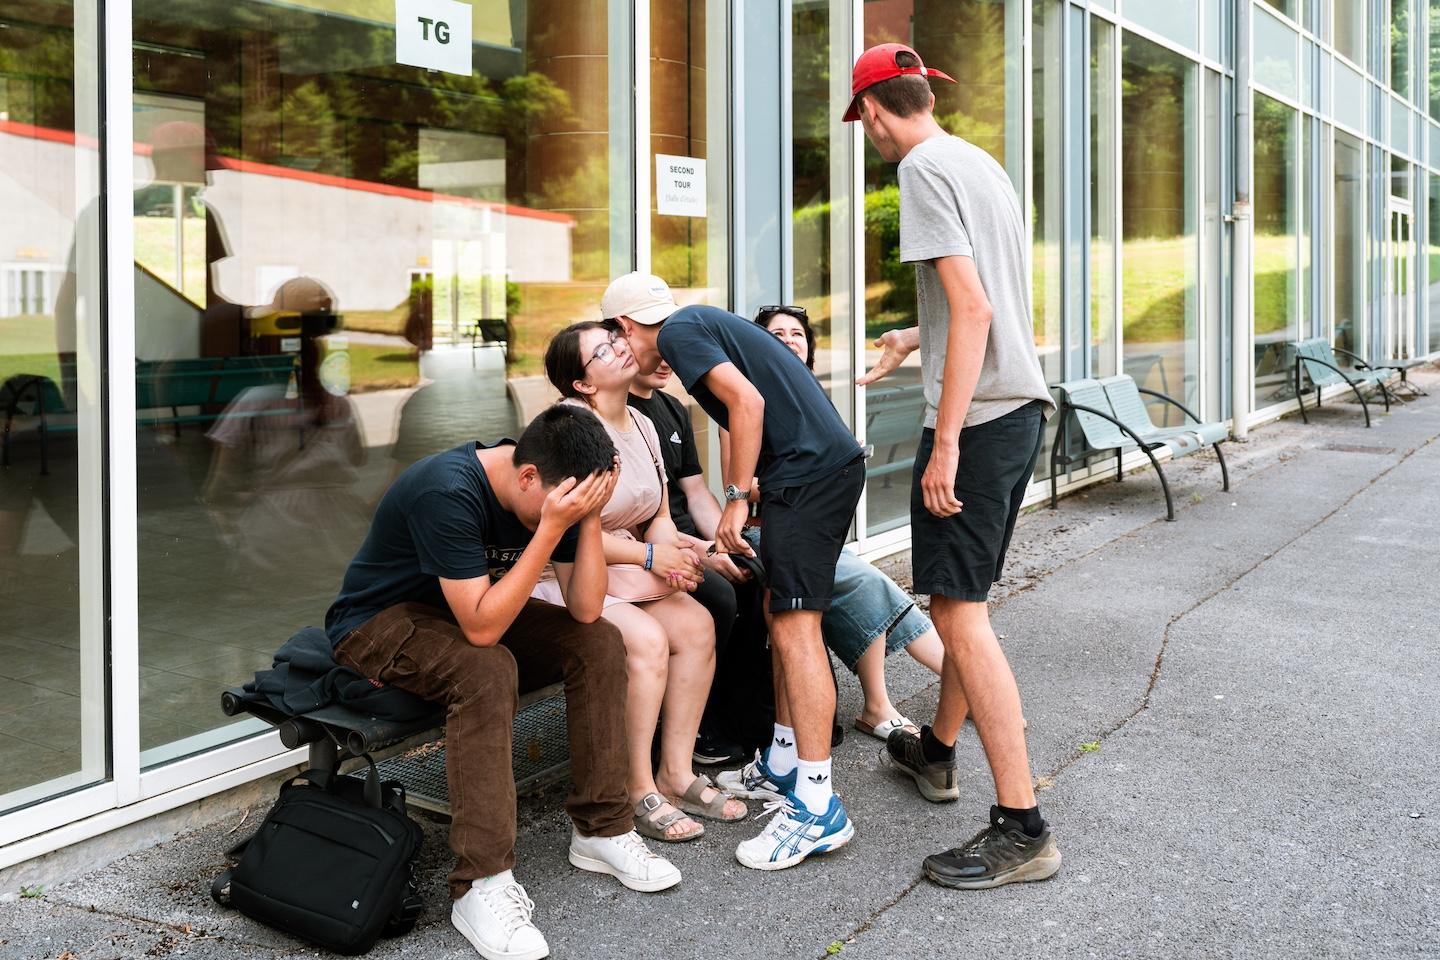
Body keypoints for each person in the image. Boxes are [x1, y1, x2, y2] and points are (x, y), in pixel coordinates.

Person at [324, 405, 681, 960]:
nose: (555, 516)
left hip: (464, 611)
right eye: (557, 506)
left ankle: (602, 830)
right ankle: (481, 883)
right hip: (381, 622)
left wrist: (585, 518)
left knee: (601, 641)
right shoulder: (446, 490)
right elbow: (483, 628)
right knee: (487, 670)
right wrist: (554, 527)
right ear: (526, 476)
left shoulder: (559, 491)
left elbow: (586, 610)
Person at [846, 42, 1062, 889]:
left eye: (863, 123)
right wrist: (913, 335)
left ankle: (1023, 828)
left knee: (961, 619)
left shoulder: (923, 172)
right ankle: (936, 753)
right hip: (1017, 409)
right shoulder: (978, 161)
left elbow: (973, 307)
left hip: (979, 421)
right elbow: (985, 302)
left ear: (870, 112)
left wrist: (943, 439)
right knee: (961, 601)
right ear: (924, 91)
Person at [605, 273, 866, 872]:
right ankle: (780, 763)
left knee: (798, 629)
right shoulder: (700, 323)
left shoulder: (678, 335)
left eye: (617, 342)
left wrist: (736, 497)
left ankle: (819, 807)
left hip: (807, 478)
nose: (626, 356)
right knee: (781, 618)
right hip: (809, 473)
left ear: (625, 328)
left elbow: (748, 405)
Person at [533, 321, 747, 842]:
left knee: (697, 625)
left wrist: (673, 548)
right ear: (581, 384)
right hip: (563, 572)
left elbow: (656, 511)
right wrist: (653, 555)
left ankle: (677, 772)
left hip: (624, 564)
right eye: (603, 350)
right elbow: (572, 532)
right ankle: (637, 786)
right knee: (648, 640)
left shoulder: (643, 423)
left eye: (615, 342)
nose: (621, 349)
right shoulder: (570, 430)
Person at [753, 305, 946, 744]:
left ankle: (918, 694)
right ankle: (954, 686)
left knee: (866, 580)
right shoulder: (748, 396)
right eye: (776, 333)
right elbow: (740, 486)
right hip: (767, 529)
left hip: (808, 524)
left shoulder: (811, 395)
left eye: (796, 333)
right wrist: (819, 472)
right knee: (865, 582)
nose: (788, 340)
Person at [626, 361, 754, 766]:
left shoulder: (672, 408)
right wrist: (704, 553)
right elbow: (634, 521)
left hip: (682, 534)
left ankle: (738, 714)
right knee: (718, 595)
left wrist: (725, 542)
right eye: (653, 346)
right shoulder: (616, 414)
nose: (666, 360)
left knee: (754, 578)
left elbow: (696, 493)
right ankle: (696, 725)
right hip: (646, 544)